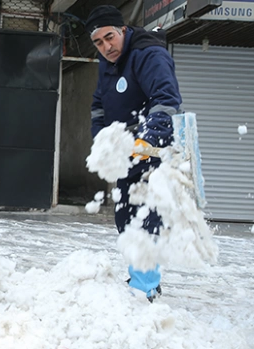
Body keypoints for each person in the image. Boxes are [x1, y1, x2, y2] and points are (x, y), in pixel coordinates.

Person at [86, 5, 182, 302]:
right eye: (99, 43)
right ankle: (138, 272)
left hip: (153, 148)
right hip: (125, 148)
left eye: (110, 37)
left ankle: (146, 285)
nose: (106, 47)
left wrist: (150, 136)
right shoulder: (108, 62)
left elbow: (166, 99)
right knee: (125, 214)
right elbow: (99, 102)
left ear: (123, 30)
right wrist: (102, 139)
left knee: (148, 215)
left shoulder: (149, 55)